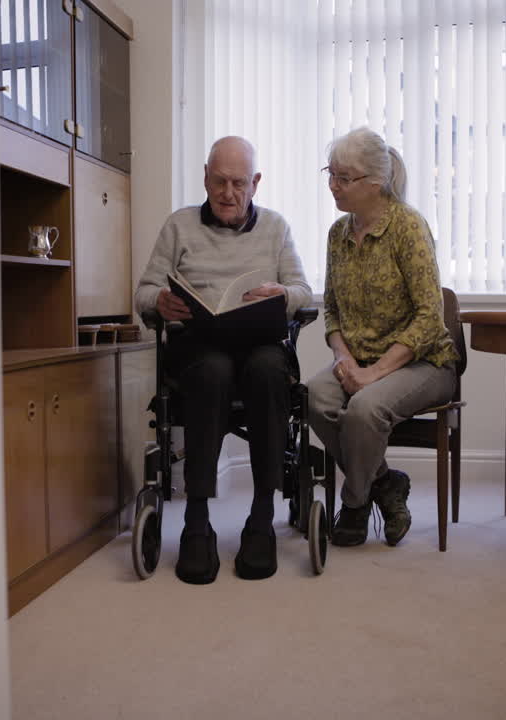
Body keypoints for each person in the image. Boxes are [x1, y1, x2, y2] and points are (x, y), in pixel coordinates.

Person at [135, 136, 313, 584]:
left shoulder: (276, 227)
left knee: (269, 369)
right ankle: (197, 520)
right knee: (213, 369)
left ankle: (261, 518)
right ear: (205, 177)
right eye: (219, 181)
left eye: (238, 183)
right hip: (198, 348)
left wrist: (283, 294)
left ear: (255, 183)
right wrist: (158, 300)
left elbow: (305, 293)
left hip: (258, 344)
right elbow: (141, 294)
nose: (228, 193)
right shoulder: (178, 226)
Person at [306, 127, 458, 548]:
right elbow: (332, 310)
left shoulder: (408, 228)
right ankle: (386, 483)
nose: (333, 185)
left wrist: (373, 375)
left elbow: (430, 318)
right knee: (314, 397)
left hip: (424, 363)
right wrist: (344, 359)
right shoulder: (337, 235)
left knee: (364, 409)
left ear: (376, 182)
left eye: (344, 177)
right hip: (359, 359)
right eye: (330, 174)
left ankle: (354, 505)